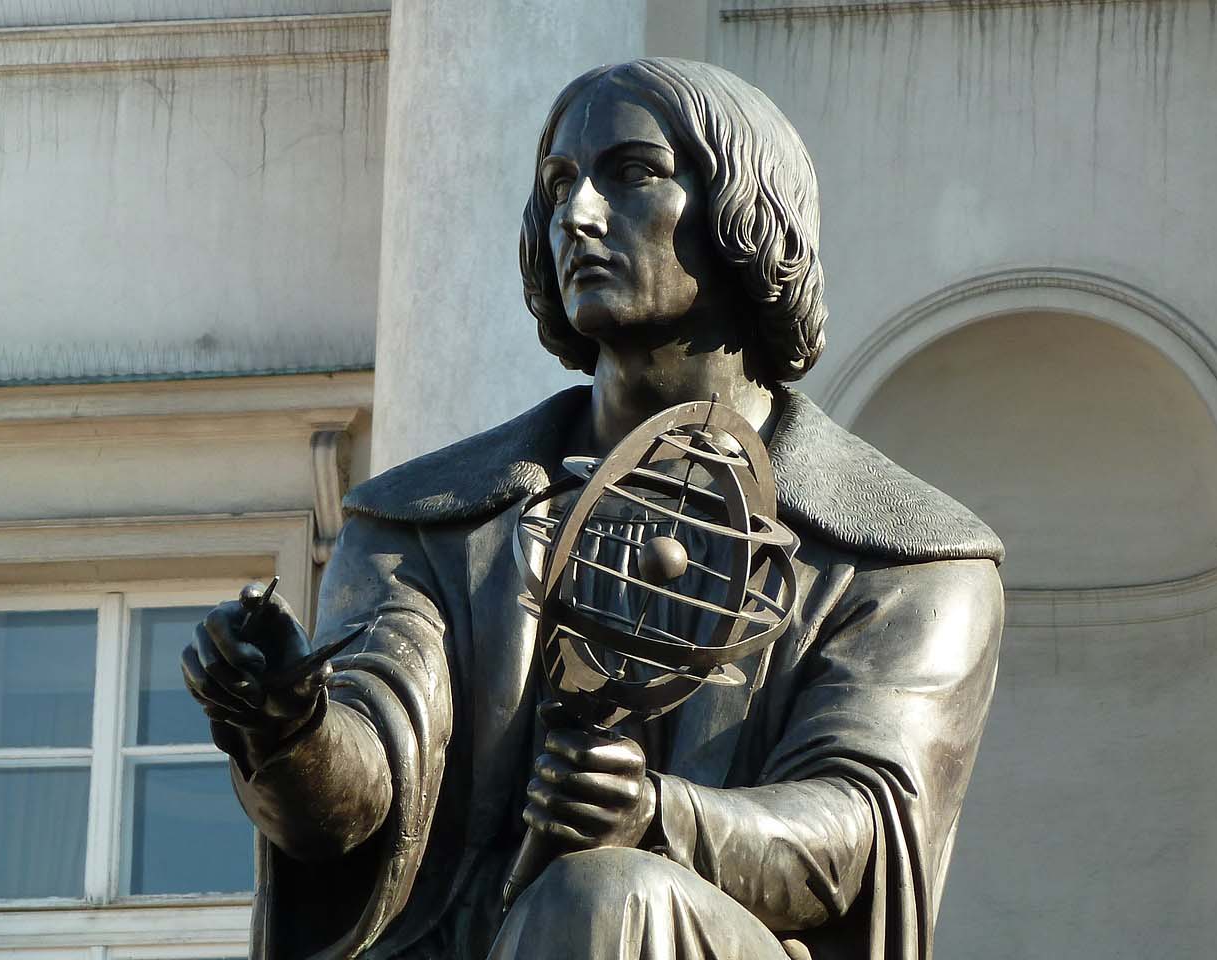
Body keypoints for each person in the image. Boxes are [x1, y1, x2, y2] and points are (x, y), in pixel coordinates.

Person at [182, 58, 1005, 960]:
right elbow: (361, 790)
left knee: (601, 897)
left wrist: (658, 814)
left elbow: (857, 833)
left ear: (746, 213)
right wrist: (288, 727)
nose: (575, 214)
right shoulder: (428, 525)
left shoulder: (899, 558)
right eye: (558, 185)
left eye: (633, 172)